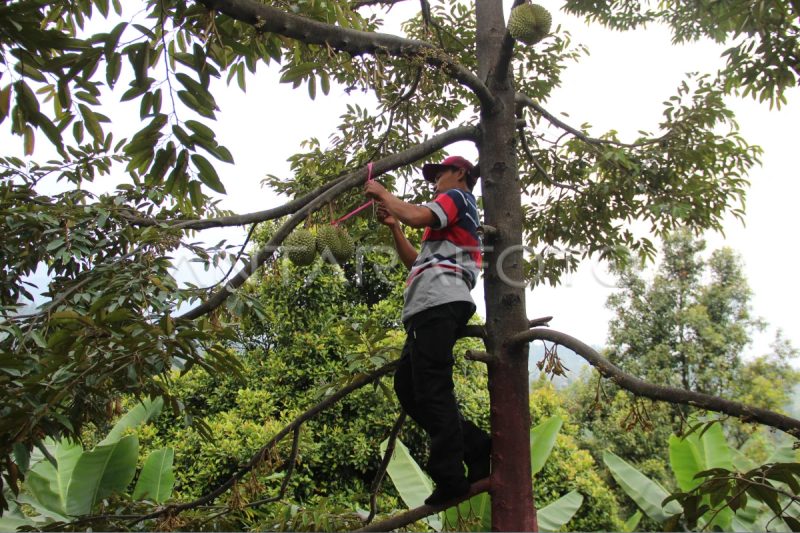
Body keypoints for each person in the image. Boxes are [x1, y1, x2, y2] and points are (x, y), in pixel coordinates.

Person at [364, 156, 492, 506]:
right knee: (408, 387)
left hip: (438, 302)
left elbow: (418, 213)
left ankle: (451, 478)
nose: (434, 182)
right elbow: (414, 260)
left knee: (433, 389)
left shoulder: (459, 199)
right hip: (429, 306)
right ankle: (477, 445)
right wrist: (393, 226)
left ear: (461, 174)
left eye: (440, 175)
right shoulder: (446, 221)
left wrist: (383, 193)